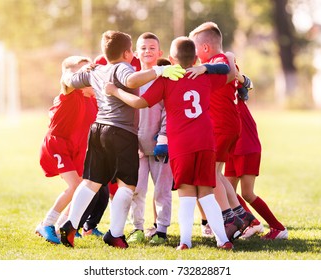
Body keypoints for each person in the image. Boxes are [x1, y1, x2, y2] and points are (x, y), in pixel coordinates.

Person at [105, 36, 236, 250]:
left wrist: (115, 91)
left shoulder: (166, 80)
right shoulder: (204, 77)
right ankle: (223, 240)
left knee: (186, 193)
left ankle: (185, 241)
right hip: (205, 141)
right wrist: (211, 65)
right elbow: (229, 72)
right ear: (195, 58)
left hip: (181, 145)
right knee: (206, 193)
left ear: (171, 59)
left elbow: (139, 102)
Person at [59, 30, 186, 248]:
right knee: (127, 185)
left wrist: (72, 78)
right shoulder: (122, 68)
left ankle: (70, 224)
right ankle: (115, 234)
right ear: (128, 53)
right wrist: (161, 69)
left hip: (98, 129)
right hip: (121, 133)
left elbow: (67, 81)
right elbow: (132, 79)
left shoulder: (96, 70)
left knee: (91, 181)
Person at [189, 22, 255, 242]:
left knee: (210, 175)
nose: (193, 54)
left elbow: (226, 68)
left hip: (221, 126)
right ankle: (239, 214)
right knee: (217, 172)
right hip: (227, 125)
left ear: (206, 48)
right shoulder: (219, 60)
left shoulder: (219, 61)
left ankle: (229, 219)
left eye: (195, 48)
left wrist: (206, 66)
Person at [36, 55, 97, 244]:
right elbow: (67, 79)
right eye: (85, 74)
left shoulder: (93, 100)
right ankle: (47, 223)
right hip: (58, 144)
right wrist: (77, 74)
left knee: (85, 188)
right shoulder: (71, 92)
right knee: (76, 186)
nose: (90, 78)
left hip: (77, 148)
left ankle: (64, 224)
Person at [225, 73, 288, 240]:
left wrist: (240, 78)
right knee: (226, 189)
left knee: (247, 193)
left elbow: (246, 81)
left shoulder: (232, 86)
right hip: (231, 147)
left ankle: (278, 227)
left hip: (245, 146)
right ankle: (252, 223)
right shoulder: (219, 92)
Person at [126, 32, 174, 246]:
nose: (147, 51)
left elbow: (169, 112)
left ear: (160, 53)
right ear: (136, 53)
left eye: (152, 48)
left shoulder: (165, 80)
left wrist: (163, 137)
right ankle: (136, 227)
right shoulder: (132, 80)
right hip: (135, 146)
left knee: (162, 190)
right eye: (143, 48)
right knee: (136, 188)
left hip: (159, 146)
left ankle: (161, 230)